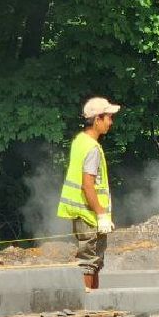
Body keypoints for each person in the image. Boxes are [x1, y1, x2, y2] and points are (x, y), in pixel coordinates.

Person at [57, 97, 120, 289]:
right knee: (89, 263)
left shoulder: (80, 141)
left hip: (87, 214)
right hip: (89, 215)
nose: (110, 122)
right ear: (97, 119)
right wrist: (101, 214)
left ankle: (94, 305)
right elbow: (88, 185)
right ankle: (89, 306)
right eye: (108, 117)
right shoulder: (91, 148)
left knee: (94, 262)